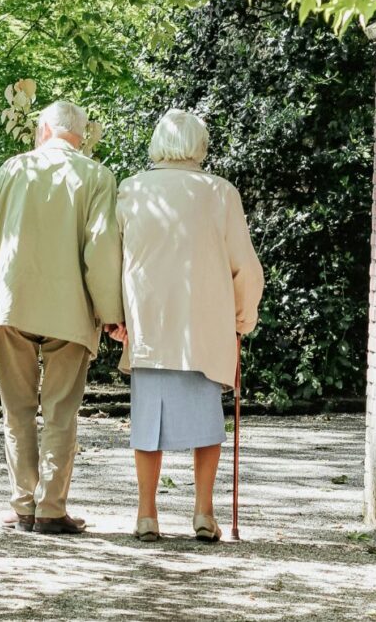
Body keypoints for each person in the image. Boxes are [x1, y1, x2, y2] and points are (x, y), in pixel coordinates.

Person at [0, 100, 125, 535]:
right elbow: (102, 249)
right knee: (60, 411)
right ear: (81, 136)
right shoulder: (98, 177)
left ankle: (23, 505)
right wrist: (111, 314)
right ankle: (51, 509)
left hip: (13, 304)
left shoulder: (13, 169)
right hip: (71, 311)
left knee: (17, 409)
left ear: (44, 130)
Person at [112, 108, 264, 542]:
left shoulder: (132, 190)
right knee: (206, 423)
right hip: (204, 325)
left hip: (150, 323)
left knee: (147, 423)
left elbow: (112, 261)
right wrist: (242, 317)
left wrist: (115, 317)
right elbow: (246, 268)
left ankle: (146, 514)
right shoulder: (220, 193)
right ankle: (203, 512)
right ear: (200, 145)